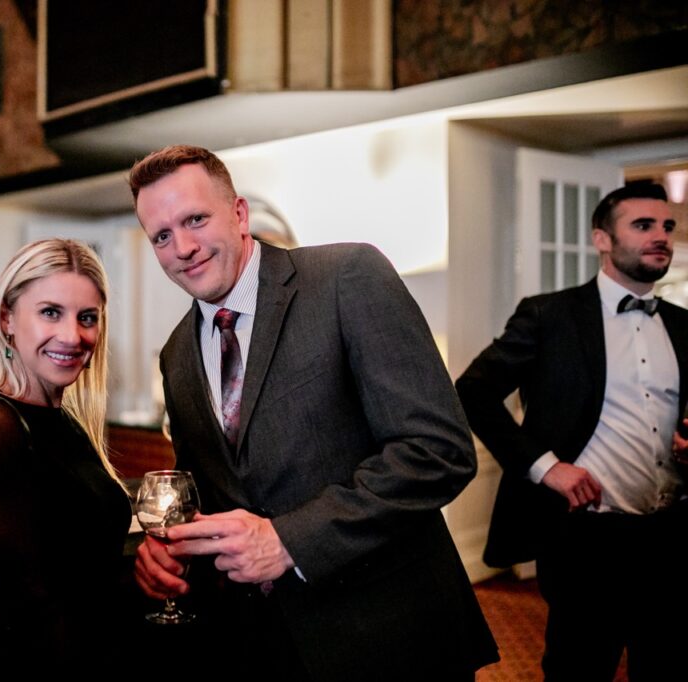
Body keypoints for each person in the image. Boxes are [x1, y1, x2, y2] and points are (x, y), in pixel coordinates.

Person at [128, 145, 498, 680]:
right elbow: (212, 492)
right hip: (261, 646)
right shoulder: (176, 354)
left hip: (390, 634)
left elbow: (438, 451)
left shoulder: (347, 276)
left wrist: (289, 541)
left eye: (195, 220)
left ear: (238, 213)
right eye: (161, 236)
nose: (182, 247)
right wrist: (174, 550)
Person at [456, 182, 686, 681]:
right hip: (587, 538)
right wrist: (546, 467)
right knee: (579, 668)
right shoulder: (549, 316)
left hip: (672, 537)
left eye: (667, 226)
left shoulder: (682, 325)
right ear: (602, 239)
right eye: (643, 225)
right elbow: (472, 391)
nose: (661, 236)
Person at [0, 239, 134, 675]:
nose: (72, 336)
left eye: (87, 318)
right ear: (7, 319)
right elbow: (27, 604)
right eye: (50, 313)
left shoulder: (65, 419)